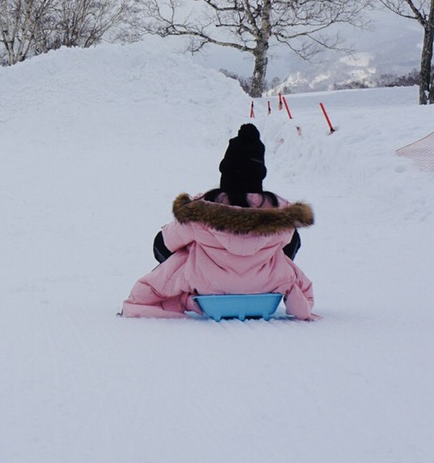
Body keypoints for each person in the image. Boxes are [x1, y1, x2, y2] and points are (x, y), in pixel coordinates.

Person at [120, 123, 316, 319]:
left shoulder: (201, 209)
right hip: (264, 284)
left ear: (225, 170)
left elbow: (163, 245)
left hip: (207, 283)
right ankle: (261, 284)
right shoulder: (280, 213)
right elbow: (290, 248)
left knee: (180, 248)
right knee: (288, 242)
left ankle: (187, 295)